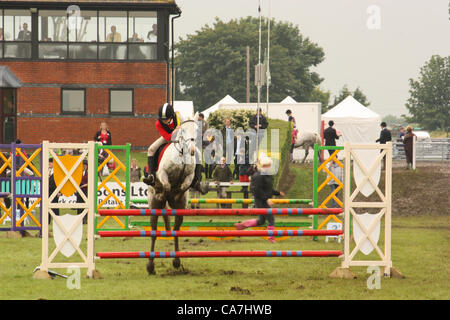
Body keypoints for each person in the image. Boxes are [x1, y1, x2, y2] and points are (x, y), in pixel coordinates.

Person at [234, 156, 285, 243]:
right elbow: (256, 191)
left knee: (261, 221)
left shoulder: (267, 176)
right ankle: (271, 238)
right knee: (271, 218)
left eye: (269, 165)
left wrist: (278, 193)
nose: (269, 167)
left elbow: (268, 189)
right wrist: (266, 200)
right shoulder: (258, 176)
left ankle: (242, 225)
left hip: (263, 200)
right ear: (262, 166)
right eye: (267, 166)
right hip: (261, 201)